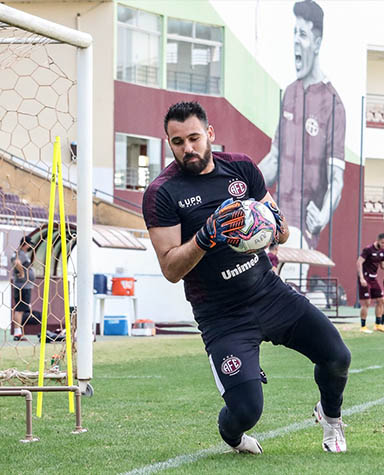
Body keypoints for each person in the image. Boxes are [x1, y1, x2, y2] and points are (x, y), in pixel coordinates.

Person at [143, 101, 351, 454]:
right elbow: (170, 268)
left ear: (209, 134)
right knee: (245, 410)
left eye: (194, 138)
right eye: (178, 142)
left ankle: (331, 420)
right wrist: (206, 237)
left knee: (337, 357)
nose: (188, 148)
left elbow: (280, 231)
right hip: (223, 316)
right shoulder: (162, 192)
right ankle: (234, 437)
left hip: (270, 294)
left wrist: (273, 226)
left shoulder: (240, 168)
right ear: (169, 143)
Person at [258, 0, 346, 254]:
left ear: (317, 43)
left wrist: (323, 216)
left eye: (303, 34)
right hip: (274, 217)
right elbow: (275, 159)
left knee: (280, 281)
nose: (296, 41)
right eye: (294, 33)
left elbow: (336, 180)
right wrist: (241, 181)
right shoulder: (290, 93)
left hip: (302, 230)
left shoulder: (333, 104)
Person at [356, 233, 384, 334]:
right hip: (365, 279)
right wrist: (361, 278)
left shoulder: (382, 251)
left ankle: (378, 325)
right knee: (367, 302)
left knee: (381, 300)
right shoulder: (368, 249)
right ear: (378, 240)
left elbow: (382, 265)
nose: (383, 245)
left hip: (374, 279)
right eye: (382, 243)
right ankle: (363, 326)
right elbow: (359, 262)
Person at [10, 235, 35, 342]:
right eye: (29, 244)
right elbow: (16, 262)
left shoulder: (22, 254)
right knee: (19, 309)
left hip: (25, 285)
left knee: (21, 309)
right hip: (22, 286)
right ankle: (17, 333)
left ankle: (19, 332)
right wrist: (22, 273)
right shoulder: (19, 253)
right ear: (26, 244)